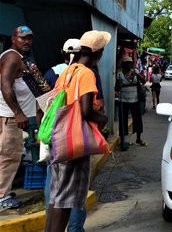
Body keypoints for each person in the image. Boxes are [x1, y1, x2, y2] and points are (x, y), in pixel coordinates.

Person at [44, 30, 109, 232]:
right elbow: (86, 110)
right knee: (66, 201)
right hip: (74, 141)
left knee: (56, 197)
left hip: (59, 138)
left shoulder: (67, 71)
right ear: (99, 52)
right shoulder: (87, 73)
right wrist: (103, 119)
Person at [0, 26, 43, 210]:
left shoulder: (20, 57)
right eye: (23, 38)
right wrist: (18, 113)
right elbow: (5, 85)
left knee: (8, 155)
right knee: (9, 156)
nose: (27, 41)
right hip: (10, 117)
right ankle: (2, 197)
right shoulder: (12, 57)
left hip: (12, 116)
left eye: (29, 39)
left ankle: (3, 192)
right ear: (13, 39)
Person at [115, 56, 146, 150]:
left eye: (130, 63)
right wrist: (119, 86)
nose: (128, 65)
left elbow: (143, 81)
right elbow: (116, 88)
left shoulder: (135, 72)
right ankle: (123, 139)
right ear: (123, 65)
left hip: (135, 100)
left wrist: (137, 75)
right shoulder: (119, 75)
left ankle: (138, 138)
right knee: (123, 120)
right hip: (123, 101)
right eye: (127, 63)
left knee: (137, 119)